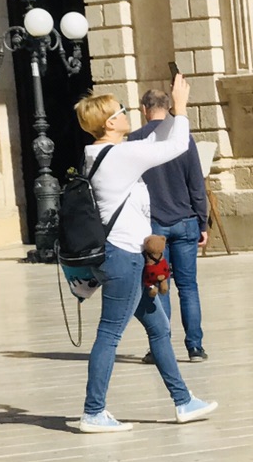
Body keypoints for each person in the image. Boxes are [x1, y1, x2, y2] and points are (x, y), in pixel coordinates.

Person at [71, 75, 217, 434]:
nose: (125, 114)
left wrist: (171, 116)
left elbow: (158, 142)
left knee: (158, 330)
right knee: (109, 334)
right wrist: (180, 108)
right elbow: (176, 147)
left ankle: (183, 401)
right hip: (124, 258)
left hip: (125, 255)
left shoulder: (97, 154)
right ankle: (93, 411)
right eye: (120, 111)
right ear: (109, 123)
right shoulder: (121, 154)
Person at [130, 86, 210, 362]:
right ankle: (195, 346)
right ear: (169, 106)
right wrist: (203, 222)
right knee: (188, 287)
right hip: (186, 221)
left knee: (158, 284)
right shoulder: (183, 137)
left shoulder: (134, 140)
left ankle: (161, 348)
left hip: (154, 226)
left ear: (144, 110)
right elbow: (196, 184)